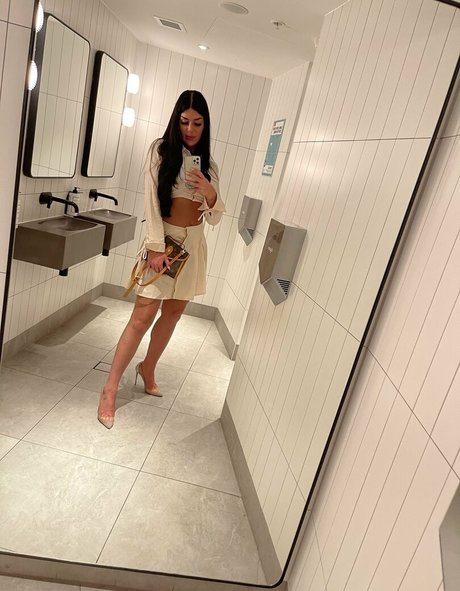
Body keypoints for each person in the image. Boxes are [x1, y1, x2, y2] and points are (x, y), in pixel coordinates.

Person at [97, 90, 225, 429]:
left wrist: (210, 192)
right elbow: (151, 201)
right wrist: (154, 247)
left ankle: (148, 368)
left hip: (193, 246)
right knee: (142, 316)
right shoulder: (160, 151)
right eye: (184, 121)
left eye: (197, 123)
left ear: (206, 125)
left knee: (174, 312)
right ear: (175, 120)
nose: (190, 129)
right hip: (164, 244)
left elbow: (214, 219)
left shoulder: (209, 165)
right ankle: (109, 388)